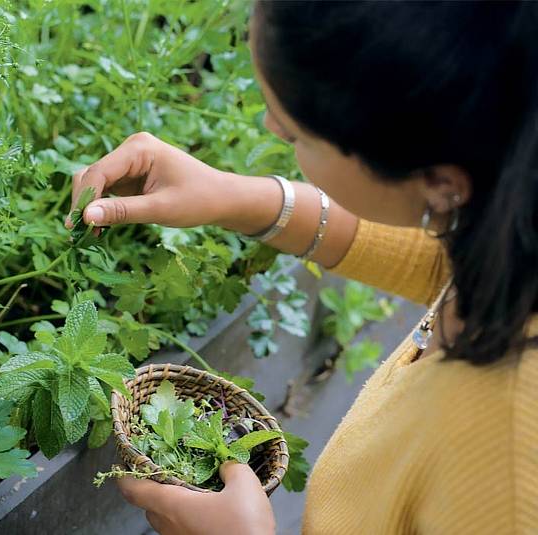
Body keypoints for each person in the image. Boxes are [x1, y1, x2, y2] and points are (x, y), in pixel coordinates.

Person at [66, 1, 538, 534]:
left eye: (294, 134)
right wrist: (234, 197)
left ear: (442, 182)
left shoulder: (511, 471)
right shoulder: (511, 221)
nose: (269, 126)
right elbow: (436, 254)